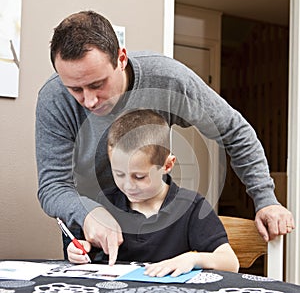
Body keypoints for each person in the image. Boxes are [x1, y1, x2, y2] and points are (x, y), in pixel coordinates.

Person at [35, 10, 294, 265]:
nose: (88, 100)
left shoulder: (168, 79)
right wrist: (87, 213)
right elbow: (53, 186)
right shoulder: (54, 98)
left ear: (121, 59)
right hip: (90, 233)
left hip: (156, 225)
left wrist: (265, 200)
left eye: (97, 84)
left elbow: (234, 130)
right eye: (75, 89)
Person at [67, 109, 239, 276]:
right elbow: (89, 249)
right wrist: (79, 249)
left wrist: (192, 259)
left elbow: (231, 263)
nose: (128, 185)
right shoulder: (105, 203)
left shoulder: (191, 207)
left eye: (139, 177)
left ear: (167, 165)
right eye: (118, 174)